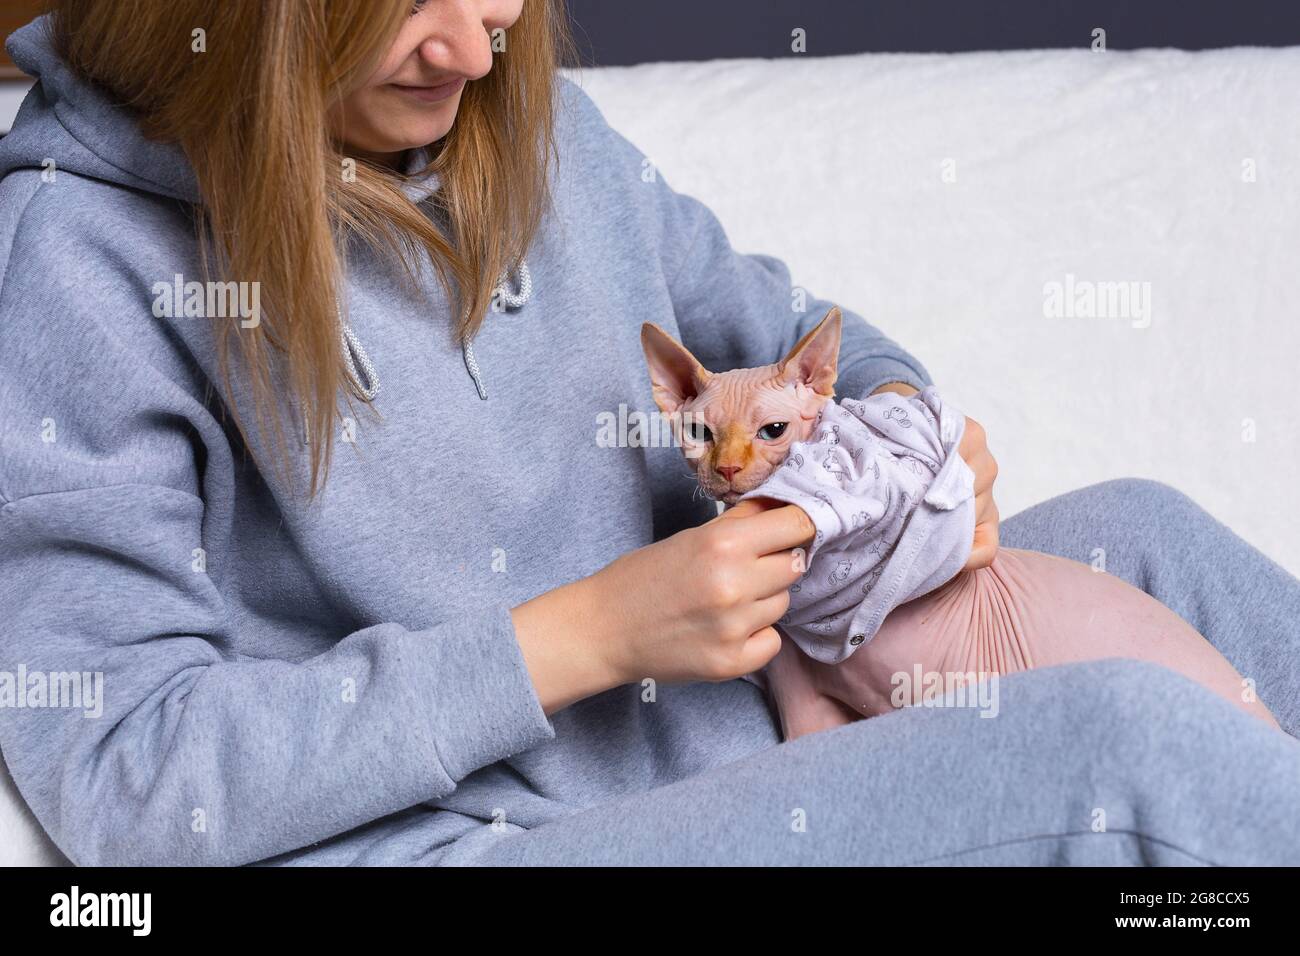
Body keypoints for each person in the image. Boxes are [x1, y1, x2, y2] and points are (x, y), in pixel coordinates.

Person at [0, 0, 1296, 867]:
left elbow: (801, 332)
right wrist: (590, 634)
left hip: (753, 701)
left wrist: (905, 438)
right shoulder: (81, 262)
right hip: (495, 835)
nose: (471, 47)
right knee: (1129, 747)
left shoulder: (539, 138)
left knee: (1144, 536)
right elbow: (121, 767)